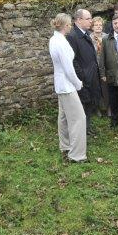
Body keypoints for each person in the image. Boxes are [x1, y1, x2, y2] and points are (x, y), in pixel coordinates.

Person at [48, 13, 87, 163]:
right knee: (78, 118)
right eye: (70, 24)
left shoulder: (54, 39)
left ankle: (65, 147)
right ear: (65, 26)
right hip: (67, 85)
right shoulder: (61, 43)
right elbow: (68, 69)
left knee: (63, 118)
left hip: (61, 85)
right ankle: (76, 155)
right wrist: (78, 83)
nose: (71, 26)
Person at [66, 9, 101, 136]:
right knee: (83, 105)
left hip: (90, 76)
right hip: (82, 79)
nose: (91, 21)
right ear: (79, 20)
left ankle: (87, 128)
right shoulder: (72, 36)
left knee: (89, 104)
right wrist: (82, 77)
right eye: (88, 19)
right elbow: (73, 60)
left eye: (91, 18)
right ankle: (81, 131)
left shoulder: (85, 33)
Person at [91, 16, 110, 116]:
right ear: (92, 27)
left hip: (105, 67)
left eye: (100, 25)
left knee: (106, 87)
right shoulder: (89, 38)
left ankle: (108, 108)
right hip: (93, 67)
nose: (98, 27)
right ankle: (97, 108)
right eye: (96, 25)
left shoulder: (107, 37)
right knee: (96, 88)